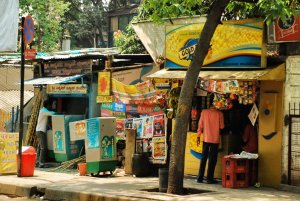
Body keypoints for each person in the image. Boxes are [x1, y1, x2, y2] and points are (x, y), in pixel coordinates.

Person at [196, 95, 224, 184]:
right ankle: (209, 179)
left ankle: (199, 178)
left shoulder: (204, 112)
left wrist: (198, 135)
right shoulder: (220, 114)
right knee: (212, 159)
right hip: (215, 140)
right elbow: (222, 127)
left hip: (206, 138)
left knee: (203, 158)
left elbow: (200, 125)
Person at [35, 100, 55, 168]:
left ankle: (37, 162)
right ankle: (41, 163)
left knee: (40, 148)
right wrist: (59, 112)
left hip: (39, 130)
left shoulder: (43, 111)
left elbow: (46, 122)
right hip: (41, 131)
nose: (51, 106)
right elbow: (52, 113)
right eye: (50, 105)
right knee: (43, 148)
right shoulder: (44, 111)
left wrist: (50, 127)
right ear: (47, 105)